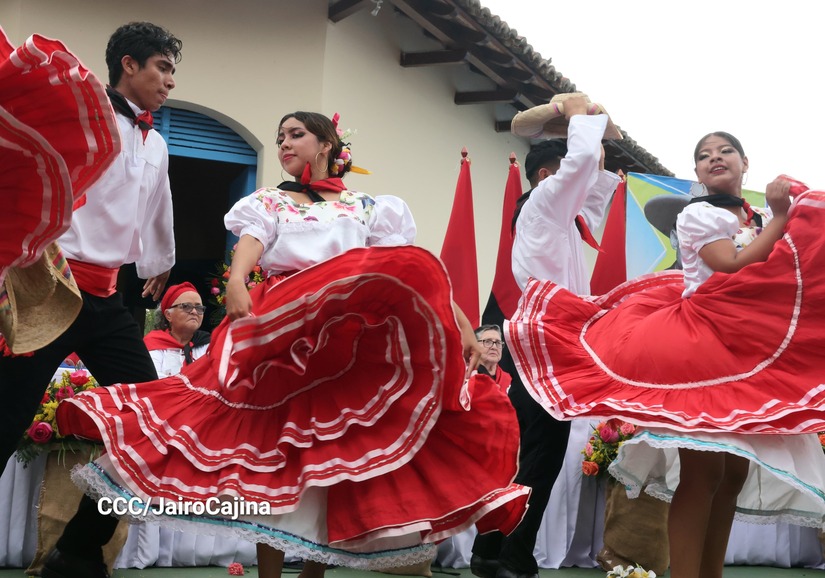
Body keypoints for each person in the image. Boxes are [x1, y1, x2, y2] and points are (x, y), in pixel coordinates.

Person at [56, 111, 531, 578]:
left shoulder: (367, 206)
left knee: (328, 455)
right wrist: (239, 279)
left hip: (348, 341)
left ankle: (314, 572)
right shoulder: (271, 202)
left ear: (326, 144)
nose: (283, 143)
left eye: (296, 134)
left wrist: (464, 326)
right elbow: (251, 241)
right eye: (279, 135)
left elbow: (411, 271)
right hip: (284, 332)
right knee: (273, 451)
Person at [505, 131, 825, 578]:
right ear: (696, 173)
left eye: (725, 151)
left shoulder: (748, 215)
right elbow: (732, 265)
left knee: (731, 476)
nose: (715, 159)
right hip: (701, 344)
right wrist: (780, 217)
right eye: (703, 156)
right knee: (703, 474)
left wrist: (780, 220)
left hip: (741, 345)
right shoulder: (698, 213)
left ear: (745, 162)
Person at [0, 21, 184, 578]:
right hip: (50, 291)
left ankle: (79, 552)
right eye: (163, 68)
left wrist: (159, 263)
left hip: (107, 303)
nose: (170, 81)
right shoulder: (80, 117)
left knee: (153, 424)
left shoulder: (158, 141)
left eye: (173, 71)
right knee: (4, 423)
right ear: (129, 64)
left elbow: (156, 208)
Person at [471, 95, 621, 578]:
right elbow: (579, 164)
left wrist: (594, 124)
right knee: (538, 449)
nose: (579, 180)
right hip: (538, 339)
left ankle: (493, 552)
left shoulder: (569, 219)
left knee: (533, 448)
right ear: (545, 176)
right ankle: (509, 554)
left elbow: (595, 178)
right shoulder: (543, 201)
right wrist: (575, 113)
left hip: (554, 339)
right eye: (567, 173)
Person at [144, 282, 210, 376]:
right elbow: (153, 382)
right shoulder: (153, 343)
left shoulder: (209, 345)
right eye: (186, 306)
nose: (194, 311)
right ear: (168, 315)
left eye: (199, 308)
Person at [474, 325, 511, 391]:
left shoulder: (509, 380)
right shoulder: (465, 377)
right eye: (487, 342)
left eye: (498, 342)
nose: (494, 347)